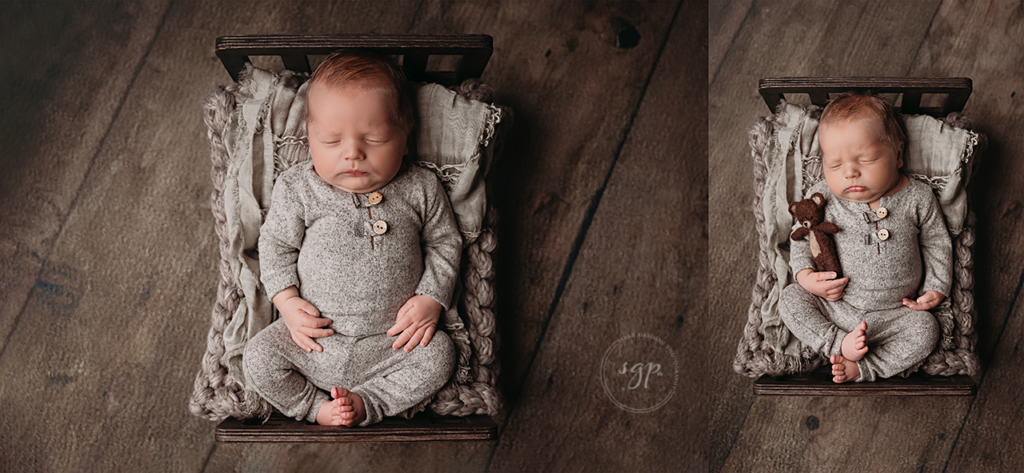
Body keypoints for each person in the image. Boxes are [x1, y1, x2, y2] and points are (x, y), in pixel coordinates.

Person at [243, 50, 460, 426]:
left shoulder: (421, 187)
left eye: (374, 139)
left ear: (405, 139)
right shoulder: (299, 187)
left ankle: (368, 402)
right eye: (330, 141)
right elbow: (276, 245)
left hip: (393, 343)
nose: (353, 154)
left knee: (441, 355)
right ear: (310, 140)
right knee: (259, 358)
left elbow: (446, 243)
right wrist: (287, 303)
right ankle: (316, 409)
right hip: (313, 340)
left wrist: (431, 298)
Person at [779, 91, 952, 383]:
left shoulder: (918, 197)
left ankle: (864, 368)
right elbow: (803, 239)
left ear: (897, 155)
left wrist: (936, 286)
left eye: (866, 159)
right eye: (834, 165)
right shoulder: (821, 199)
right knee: (790, 299)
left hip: (896, 314)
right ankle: (838, 344)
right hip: (837, 308)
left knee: (926, 331)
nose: (850, 172)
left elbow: (937, 242)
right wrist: (807, 278)